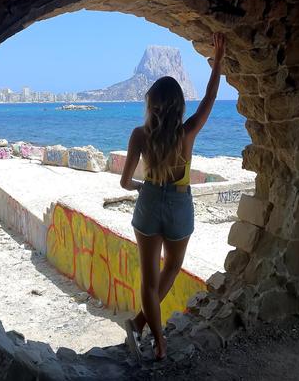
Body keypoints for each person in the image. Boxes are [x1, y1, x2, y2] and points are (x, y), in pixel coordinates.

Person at [120, 32, 225, 361]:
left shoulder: (139, 135)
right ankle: (144, 329)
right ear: (179, 105)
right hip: (180, 205)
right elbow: (208, 99)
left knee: (148, 281)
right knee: (173, 267)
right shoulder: (187, 133)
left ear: (151, 105)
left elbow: (125, 183)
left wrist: (141, 188)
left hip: (149, 202)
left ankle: (151, 335)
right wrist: (218, 61)